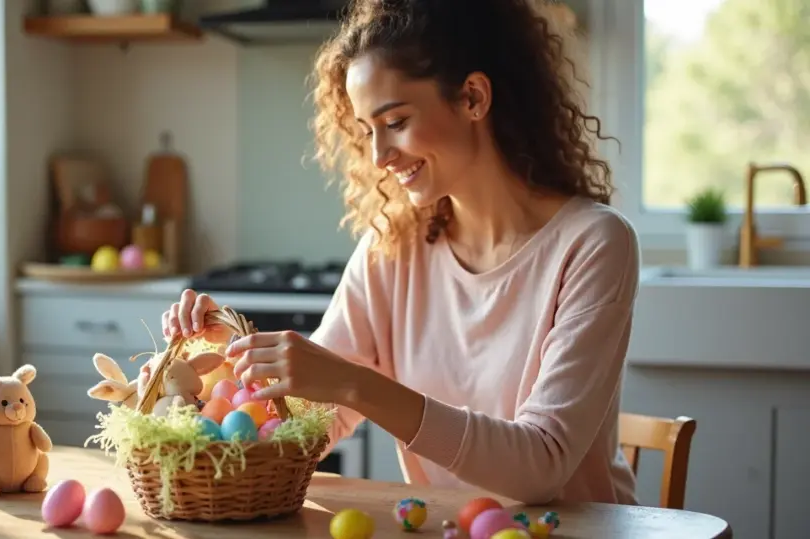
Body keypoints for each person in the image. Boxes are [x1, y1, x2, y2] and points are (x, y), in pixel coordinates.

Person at [161, 0, 640, 506]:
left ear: (473, 97)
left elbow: (541, 466)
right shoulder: (392, 249)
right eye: (368, 130)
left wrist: (356, 386)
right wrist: (209, 375)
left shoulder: (592, 244)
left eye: (396, 120)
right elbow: (310, 425)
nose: (378, 156)